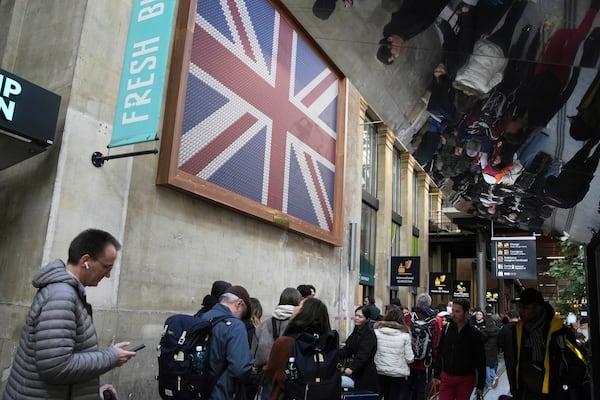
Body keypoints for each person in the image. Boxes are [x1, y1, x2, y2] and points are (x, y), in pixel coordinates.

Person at [3, 228, 137, 400]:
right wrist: (111, 357)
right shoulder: (61, 297)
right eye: (106, 267)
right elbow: (55, 367)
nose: (108, 275)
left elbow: (71, 353)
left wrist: (96, 386)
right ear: (86, 261)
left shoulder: (67, 293)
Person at [504, 288, 590, 400]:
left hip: (553, 393)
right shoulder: (516, 331)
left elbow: (579, 362)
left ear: (538, 308)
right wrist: (515, 389)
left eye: (525, 307)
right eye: (520, 306)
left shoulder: (559, 331)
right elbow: (512, 361)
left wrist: (563, 387)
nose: (521, 311)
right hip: (525, 392)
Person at [264, 297, 334, 400]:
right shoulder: (328, 342)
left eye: (299, 306)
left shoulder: (285, 342)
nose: (294, 308)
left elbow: (271, 372)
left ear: (305, 313)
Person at [202, 285, 254, 400]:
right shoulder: (235, 326)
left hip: (198, 391)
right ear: (239, 303)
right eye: (243, 314)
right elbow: (240, 368)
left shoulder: (203, 317)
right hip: (221, 393)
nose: (240, 319)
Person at [254, 287, 302, 400]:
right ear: (297, 302)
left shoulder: (263, 325)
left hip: (268, 377)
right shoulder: (300, 324)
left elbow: (254, 353)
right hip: (292, 377)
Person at [433, 298, 485, 400]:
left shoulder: (474, 334)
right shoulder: (447, 328)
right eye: (453, 311)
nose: (453, 314)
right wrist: (436, 374)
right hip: (447, 376)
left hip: (466, 378)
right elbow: (440, 351)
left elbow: (481, 360)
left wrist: (480, 385)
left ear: (466, 313)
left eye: (457, 311)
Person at [377, 0, 451, 64]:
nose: (397, 55)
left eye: (393, 54)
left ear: (390, 39)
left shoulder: (399, 22)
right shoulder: (401, 36)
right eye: (395, 57)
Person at [405, 293, 442, 400]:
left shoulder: (409, 317)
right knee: (422, 390)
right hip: (426, 363)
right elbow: (436, 344)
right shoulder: (434, 321)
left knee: (408, 389)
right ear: (429, 304)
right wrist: (435, 363)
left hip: (409, 361)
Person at [373, 307, 414, 400]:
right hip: (397, 373)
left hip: (380, 369)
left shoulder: (376, 332)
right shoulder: (405, 335)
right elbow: (409, 358)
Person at [339, 306, 379, 393]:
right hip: (357, 372)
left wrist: (352, 368)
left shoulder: (369, 334)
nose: (356, 318)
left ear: (367, 319)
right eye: (356, 315)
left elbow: (364, 354)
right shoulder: (356, 331)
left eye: (360, 317)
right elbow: (348, 348)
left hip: (366, 373)